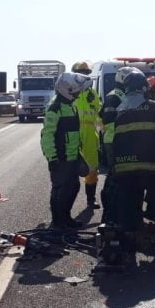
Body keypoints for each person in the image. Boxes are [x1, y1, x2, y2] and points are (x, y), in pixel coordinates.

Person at [112, 70, 155, 261]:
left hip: (125, 169)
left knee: (129, 205)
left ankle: (128, 242)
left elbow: (115, 143)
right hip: (152, 168)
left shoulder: (120, 112)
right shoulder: (154, 107)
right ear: (144, 88)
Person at [40, 72, 91, 229]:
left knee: (73, 187)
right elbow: (46, 136)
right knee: (60, 189)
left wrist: (79, 154)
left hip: (73, 156)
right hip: (61, 158)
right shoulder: (55, 108)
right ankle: (57, 222)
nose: (78, 94)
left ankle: (66, 217)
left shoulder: (70, 106)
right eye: (76, 91)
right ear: (67, 90)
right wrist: (52, 158)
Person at [98, 66, 138, 223]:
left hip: (116, 139)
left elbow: (102, 114)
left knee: (117, 176)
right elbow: (108, 117)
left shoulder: (117, 95)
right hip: (116, 140)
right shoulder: (117, 96)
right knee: (116, 177)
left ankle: (115, 213)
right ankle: (112, 214)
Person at [71, 61, 102, 209]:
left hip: (90, 134)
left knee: (92, 168)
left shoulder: (92, 94)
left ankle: (91, 199)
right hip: (72, 133)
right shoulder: (68, 92)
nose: (84, 77)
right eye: (81, 74)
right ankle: (64, 206)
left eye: (86, 74)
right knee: (68, 170)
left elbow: (100, 114)